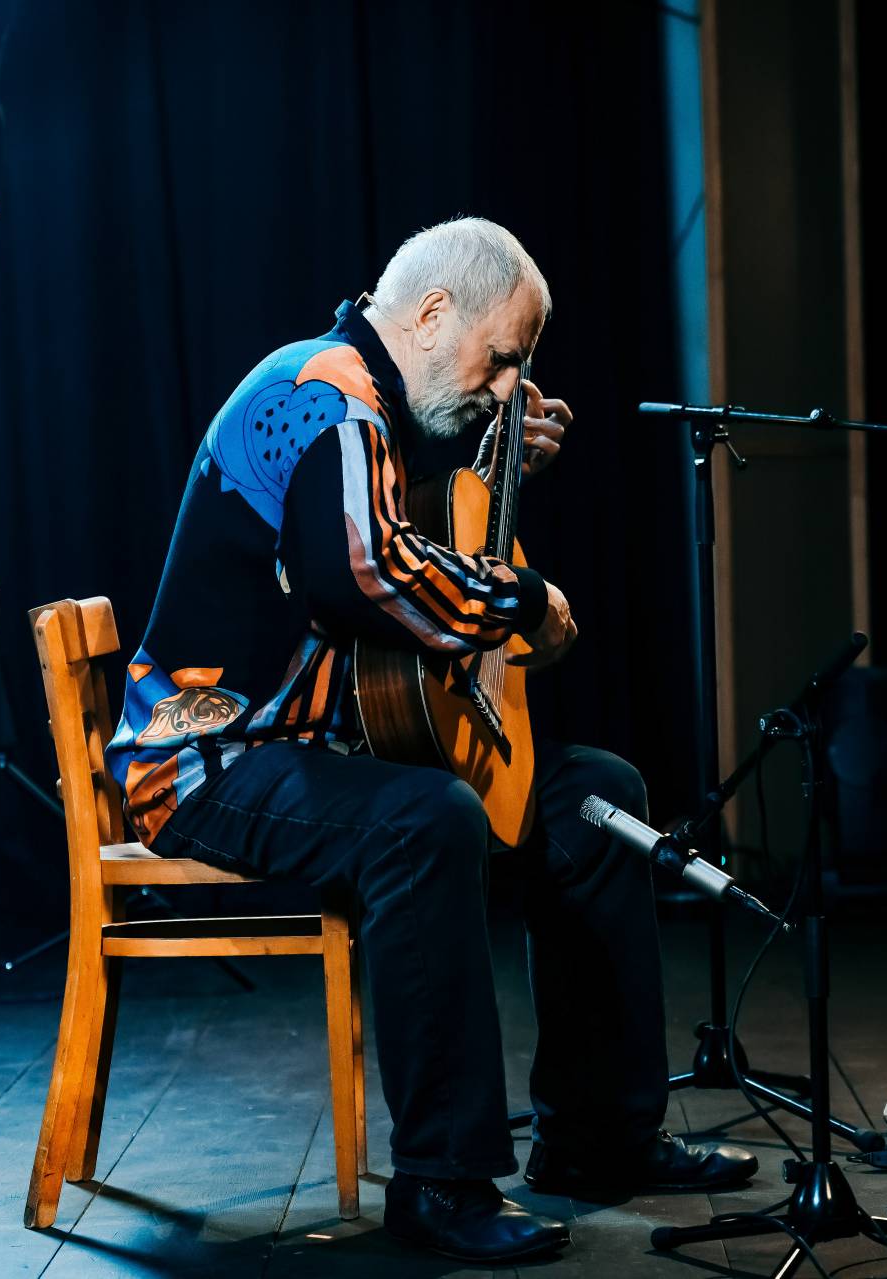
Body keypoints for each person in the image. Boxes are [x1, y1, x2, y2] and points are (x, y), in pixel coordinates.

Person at [105, 218, 754, 1263]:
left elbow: (399, 552)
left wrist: (499, 481)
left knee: (595, 797)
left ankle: (600, 1138)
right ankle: (442, 1182)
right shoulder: (326, 391)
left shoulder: (380, 408)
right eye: (500, 359)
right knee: (425, 820)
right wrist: (521, 596)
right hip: (209, 762)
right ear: (434, 313)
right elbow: (359, 576)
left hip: (314, 746)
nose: (505, 386)